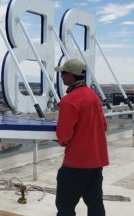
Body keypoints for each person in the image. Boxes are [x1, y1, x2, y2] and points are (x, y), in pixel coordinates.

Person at [55, 59, 109, 216]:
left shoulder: (69, 101)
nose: (62, 76)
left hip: (76, 163)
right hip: (96, 162)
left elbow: (64, 137)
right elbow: (103, 126)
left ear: (71, 75)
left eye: (63, 73)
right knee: (95, 203)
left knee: (65, 206)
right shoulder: (93, 97)